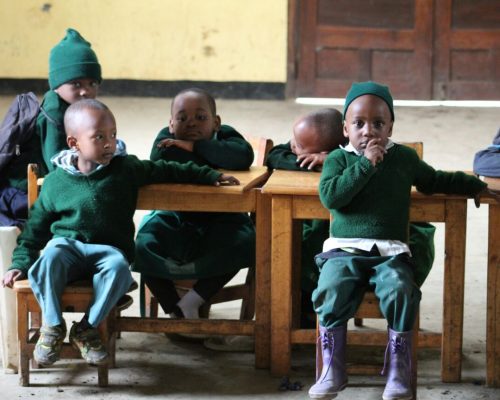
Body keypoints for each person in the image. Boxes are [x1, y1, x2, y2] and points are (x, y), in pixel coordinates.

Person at [1, 99, 238, 367]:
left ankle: (87, 328)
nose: (108, 143)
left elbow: (167, 169)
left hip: (108, 251)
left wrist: (209, 176)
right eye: (99, 137)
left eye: (113, 135)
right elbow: (34, 232)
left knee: (120, 269)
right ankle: (53, 326)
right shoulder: (56, 182)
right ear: (74, 143)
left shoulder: (125, 169)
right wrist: (20, 262)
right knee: (49, 257)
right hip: (68, 248)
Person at [308, 81, 500, 400]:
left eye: (378, 123)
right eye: (358, 124)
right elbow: (333, 197)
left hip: (390, 253)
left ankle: (398, 372)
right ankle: (333, 370)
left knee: (400, 288)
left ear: (391, 126)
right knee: (329, 288)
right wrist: (365, 164)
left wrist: (473, 186)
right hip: (343, 252)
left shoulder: (404, 158)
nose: (368, 131)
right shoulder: (337, 161)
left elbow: (434, 180)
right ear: (345, 128)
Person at [133, 88, 255, 322]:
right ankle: (174, 309)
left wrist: (193, 147)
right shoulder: (164, 139)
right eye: (182, 118)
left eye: (201, 118)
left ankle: (193, 300)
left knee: (246, 243)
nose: (191, 124)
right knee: (142, 247)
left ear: (216, 122)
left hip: (222, 217)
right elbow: (161, 160)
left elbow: (242, 157)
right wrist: (214, 158)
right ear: (170, 124)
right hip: (174, 217)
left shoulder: (227, 134)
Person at [0, 28, 101, 228]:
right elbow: (56, 162)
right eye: (76, 83)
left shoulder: (79, 108)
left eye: (92, 83)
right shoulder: (54, 113)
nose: (85, 91)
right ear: (56, 85)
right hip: (24, 188)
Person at [266, 108, 345, 328]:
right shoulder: (293, 150)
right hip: (304, 217)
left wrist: (332, 163)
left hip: (337, 228)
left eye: (299, 146)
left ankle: (311, 310)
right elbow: (275, 155)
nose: (292, 146)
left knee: (311, 243)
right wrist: (308, 164)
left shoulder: (352, 160)